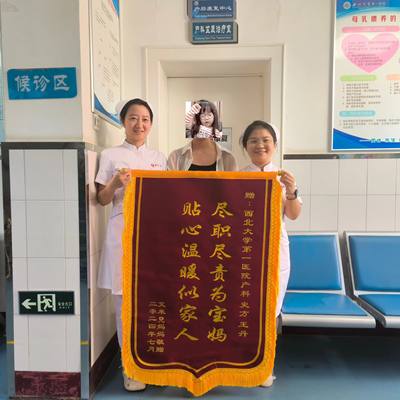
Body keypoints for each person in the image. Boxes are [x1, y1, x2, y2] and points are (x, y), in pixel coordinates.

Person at [95, 98, 167, 392]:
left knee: (154, 299)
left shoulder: (160, 158)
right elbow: (101, 199)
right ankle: (131, 367)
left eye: (145, 119)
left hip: (154, 236)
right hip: (122, 232)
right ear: (123, 122)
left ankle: (154, 361)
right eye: (133, 118)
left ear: (151, 124)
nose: (140, 124)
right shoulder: (110, 155)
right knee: (125, 301)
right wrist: (115, 184)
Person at [240, 120, 301, 388]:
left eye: (266, 140)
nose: (260, 145)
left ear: (274, 145)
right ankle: (242, 360)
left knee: (270, 307)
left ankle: (264, 366)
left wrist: (292, 191)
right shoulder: (237, 177)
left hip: (275, 251)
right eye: (253, 140)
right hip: (243, 251)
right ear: (245, 146)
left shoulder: (284, 177)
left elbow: (293, 215)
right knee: (244, 305)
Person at [168, 100, 238, 171]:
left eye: (209, 115)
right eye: (202, 116)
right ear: (198, 118)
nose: (206, 118)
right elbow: (188, 121)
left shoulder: (228, 157)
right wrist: (193, 109)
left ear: (214, 116)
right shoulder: (176, 157)